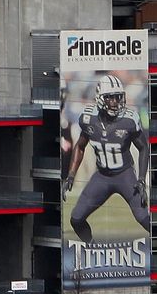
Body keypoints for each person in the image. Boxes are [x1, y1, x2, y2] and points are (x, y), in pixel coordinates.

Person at [64, 75, 152, 241]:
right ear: (99, 98)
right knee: (76, 219)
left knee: (144, 218)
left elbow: (143, 147)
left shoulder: (129, 120)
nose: (115, 102)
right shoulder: (88, 119)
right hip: (102, 176)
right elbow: (80, 146)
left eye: (118, 97)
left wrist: (140, 179)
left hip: (125, 175)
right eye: (110, 97)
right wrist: (71, 175)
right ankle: (91, 247)